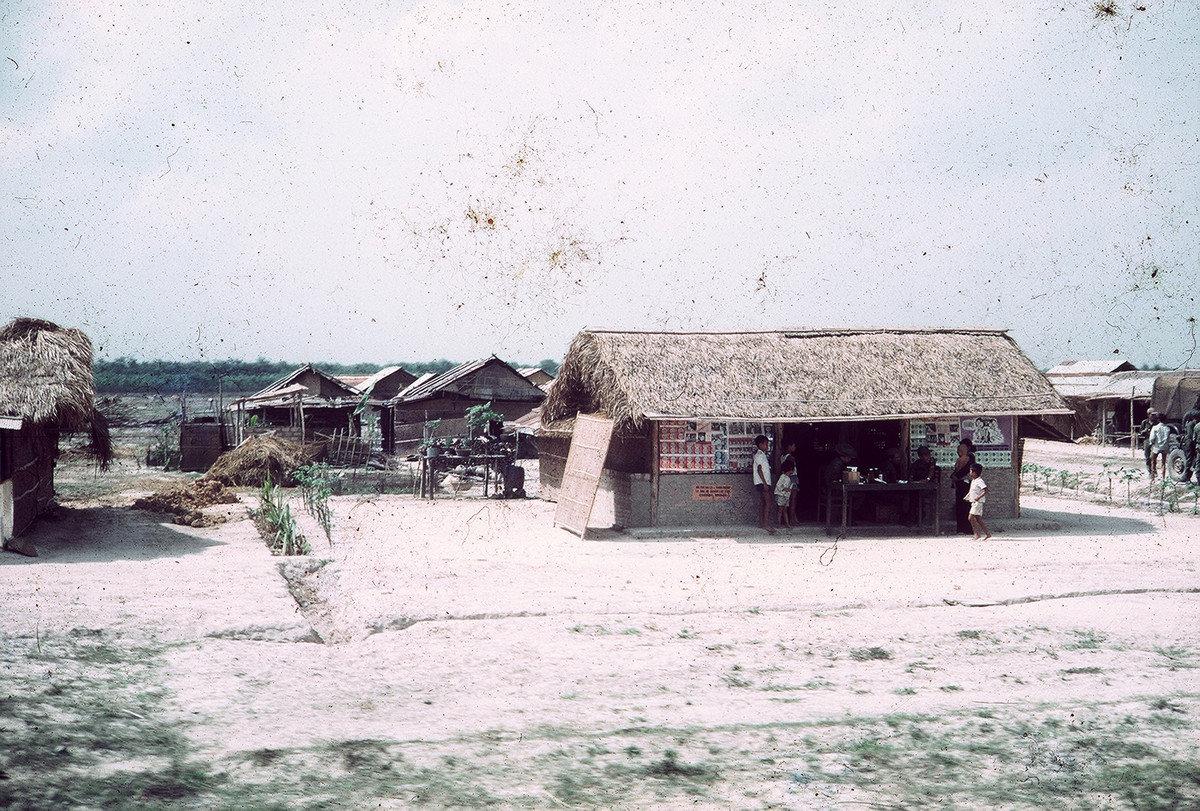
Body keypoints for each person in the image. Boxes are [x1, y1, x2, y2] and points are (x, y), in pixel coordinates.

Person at [952, 439, 976, 534]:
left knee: (965, 506)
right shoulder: (964, 457)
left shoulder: (970, 457)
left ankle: (967, 529)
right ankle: (961, 528)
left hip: (965, 483)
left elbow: (966, 469)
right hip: (961, 483)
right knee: (961, 506)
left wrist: (956, 476)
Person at [752, 434, 774, 534]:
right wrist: (765, 483)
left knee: (763, 502)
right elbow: (759, 469)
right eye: (766, 444)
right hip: (762, 482)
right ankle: (766, 524)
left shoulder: (761, 455)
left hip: (761, 482)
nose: (767, 446)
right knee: (768, 502)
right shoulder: (759, 455)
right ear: (760, 445)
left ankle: (761, 523)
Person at [965, 463, 991, 540]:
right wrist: (968, 498)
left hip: (978, 503)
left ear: (974, 472)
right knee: (978, 519)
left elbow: (986, 490)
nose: (969, 472)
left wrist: (978, 497)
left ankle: (977, 534)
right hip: (974, 503)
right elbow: (972, 491)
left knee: (970, 518)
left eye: (970, 471)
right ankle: (987, 534)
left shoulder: (979, 481)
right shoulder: (974, 481)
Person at [780, 441, 799, 524]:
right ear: (789, 446)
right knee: (793, 500)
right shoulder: (791, 457)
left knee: (787, 500)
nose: (795, 447)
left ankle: (793, 518)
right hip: (792, 478)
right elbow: (792, 470)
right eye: (794, 445)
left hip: (785, 478)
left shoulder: (782, 457)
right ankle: (791, 519)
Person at [774, 459, 797, 530]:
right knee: (780, 510)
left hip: (786, 496)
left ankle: (787, 524)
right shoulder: (783, 477)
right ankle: (778, 524)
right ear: (790, 469)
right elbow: (779, 486)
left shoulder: (788, 478)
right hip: (781, 495)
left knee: (784, 510)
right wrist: (786, 489)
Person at [1148, 413, 1170, 481]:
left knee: (1153, 461)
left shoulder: (1155, 428)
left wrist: (1151, 443)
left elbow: (1152, 438)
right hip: (1165, 447)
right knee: (1163, 462)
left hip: (1156, 446)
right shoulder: (1167, 428)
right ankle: (1163, 478)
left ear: (1158, 420)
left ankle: (1153, 478)